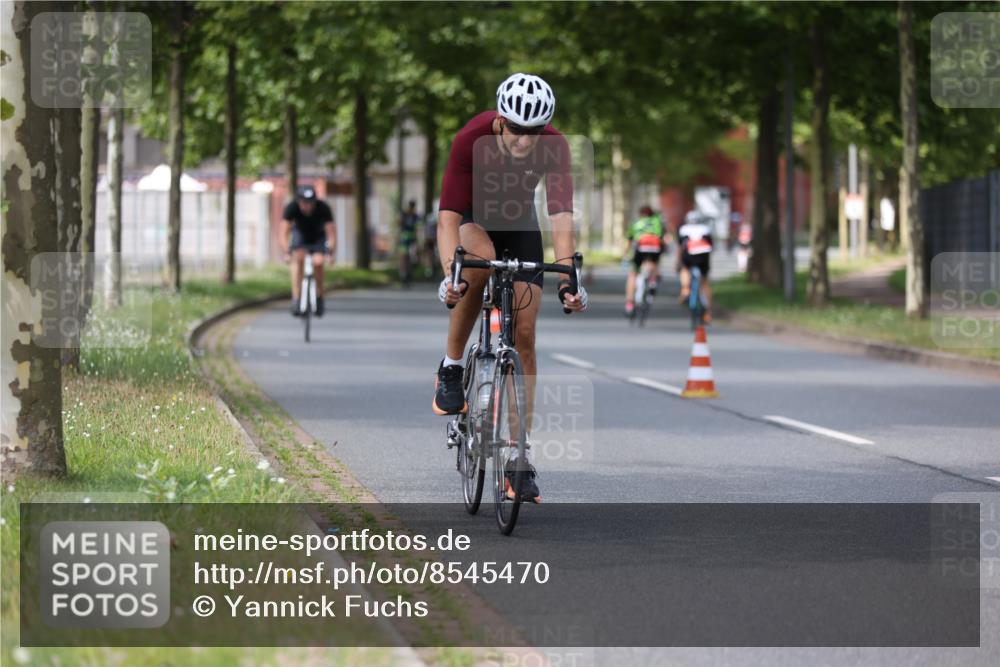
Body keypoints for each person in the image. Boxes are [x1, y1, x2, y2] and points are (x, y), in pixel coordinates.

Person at [433, 72, 587, 504]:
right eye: (517, 129)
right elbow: (447, 217)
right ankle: (450, 365)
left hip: (520, 226)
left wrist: (568, 280)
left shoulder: (555, 146)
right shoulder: (471, 138)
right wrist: (452, 275)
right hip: (473, 220)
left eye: (533, 132)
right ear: (501, 120)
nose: (525, 141)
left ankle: (519, 460)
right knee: (476, 271)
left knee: (525, 335)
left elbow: (560, 215)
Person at [281, 185, 336, 317]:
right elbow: (283, 233)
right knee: (298, 260)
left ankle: (319, 296)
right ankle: (296, 298)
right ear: (299, 201)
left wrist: (330, 253)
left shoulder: (323, 208)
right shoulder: (291, 208)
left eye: (311, 203)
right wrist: (287, 252)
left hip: (318, 237)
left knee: (318, 262)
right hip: (300, 236)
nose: (308, 207)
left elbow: (331, 233)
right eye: (305, 203)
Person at [623, 205, 669, 316]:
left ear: (640, 214)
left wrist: (625, 255)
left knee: (633, 274)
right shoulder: (657, 222)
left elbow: (629, 241)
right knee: (655, 262)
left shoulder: (636, 223)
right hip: (655, 248)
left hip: (641, 248)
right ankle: (653, 281)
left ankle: (629, 303)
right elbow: (663, 239)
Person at [676, 209, 714, 324]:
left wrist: (678, 262)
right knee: (705, 283)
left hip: (689, 254)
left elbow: (680, 248)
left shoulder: (683, 229)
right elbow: (710, 247)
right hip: (703, 256)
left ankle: (685, 290)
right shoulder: (706, 229)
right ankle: (708, 313)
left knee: (685, 269)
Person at [398, 199, 420, 287]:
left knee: (409, 257)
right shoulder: (406, 214)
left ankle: (406, 275)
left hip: (409, 238)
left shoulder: (414, 215)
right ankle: (404, 275)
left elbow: (418, 227)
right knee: (404, 257)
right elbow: (399, 223)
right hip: (406, 237)